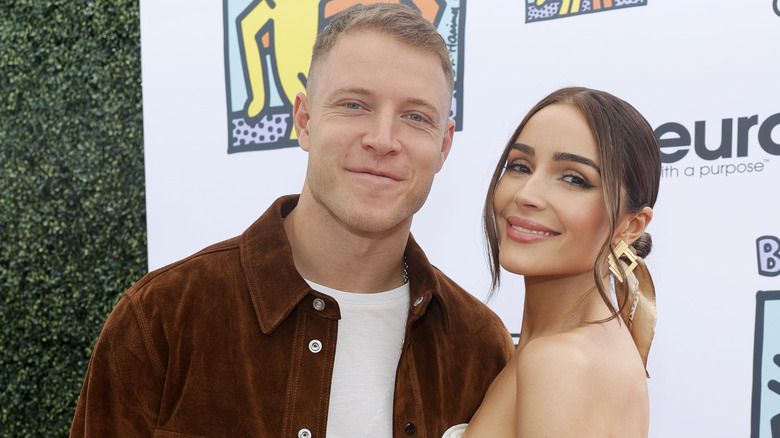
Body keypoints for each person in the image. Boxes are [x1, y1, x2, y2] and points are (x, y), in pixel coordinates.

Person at [69, 4, 515, 437]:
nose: (383, 140)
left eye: (416, 116)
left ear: (443, 146)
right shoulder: (161, 317)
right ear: (303, 120)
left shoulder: (479, 347)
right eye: (355, 105)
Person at [443, 87, 661, 437]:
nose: (526, 194)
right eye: (520, 166)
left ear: (630, 226)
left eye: (574, 179)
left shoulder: (562, 363)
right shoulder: (575, 350)